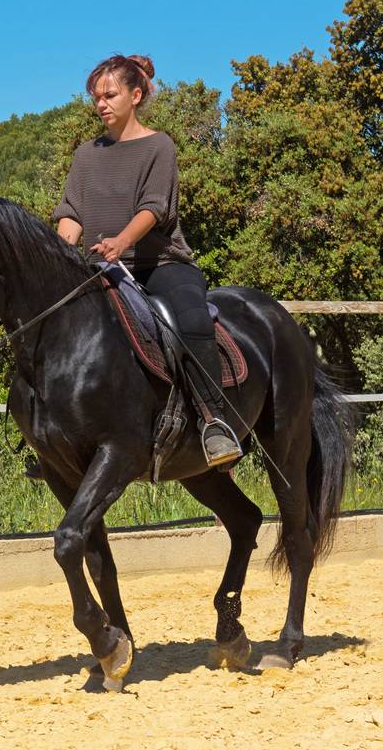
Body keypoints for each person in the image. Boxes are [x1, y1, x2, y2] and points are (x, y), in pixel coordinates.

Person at [51, 54, 242, 468]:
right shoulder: (85, 155)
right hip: (101, 269)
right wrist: (59, 257)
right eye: (96, 97)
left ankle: (215, 422)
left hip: (162, 267)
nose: (101, 104)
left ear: (135, 95)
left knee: (191, 321)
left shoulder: (159, 146)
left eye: (110, 95)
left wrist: (121, 241)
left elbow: (155, 209)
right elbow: (71, 214)